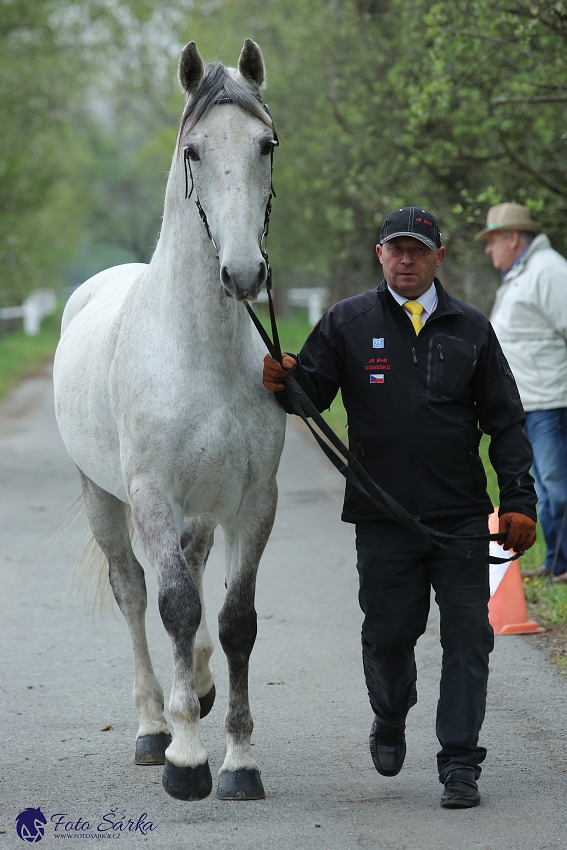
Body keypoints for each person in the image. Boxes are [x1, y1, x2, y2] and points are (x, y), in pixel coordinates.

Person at [263, 206, 537, 809]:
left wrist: (518, 499)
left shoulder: (471, 329)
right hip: (382, 518)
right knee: (389, 638)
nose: (407, 259)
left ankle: (460, 763)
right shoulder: (347, 322)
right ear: (379, 255)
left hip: (461, 519)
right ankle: (390, 714)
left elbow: (507, 422)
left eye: (419, 249)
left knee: (470, 638)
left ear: (439, 256)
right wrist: (288, 381)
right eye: (396, 249)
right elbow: (311, 398)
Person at [476, 203, 567, 583]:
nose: (487, 249)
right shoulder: (522, 274)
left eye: (492, 240)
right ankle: (557, 563)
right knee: (546, 489)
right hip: (529, 404)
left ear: (513, 238)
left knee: (558, 488)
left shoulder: (549, 272)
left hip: (550, 402)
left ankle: (564, 564)